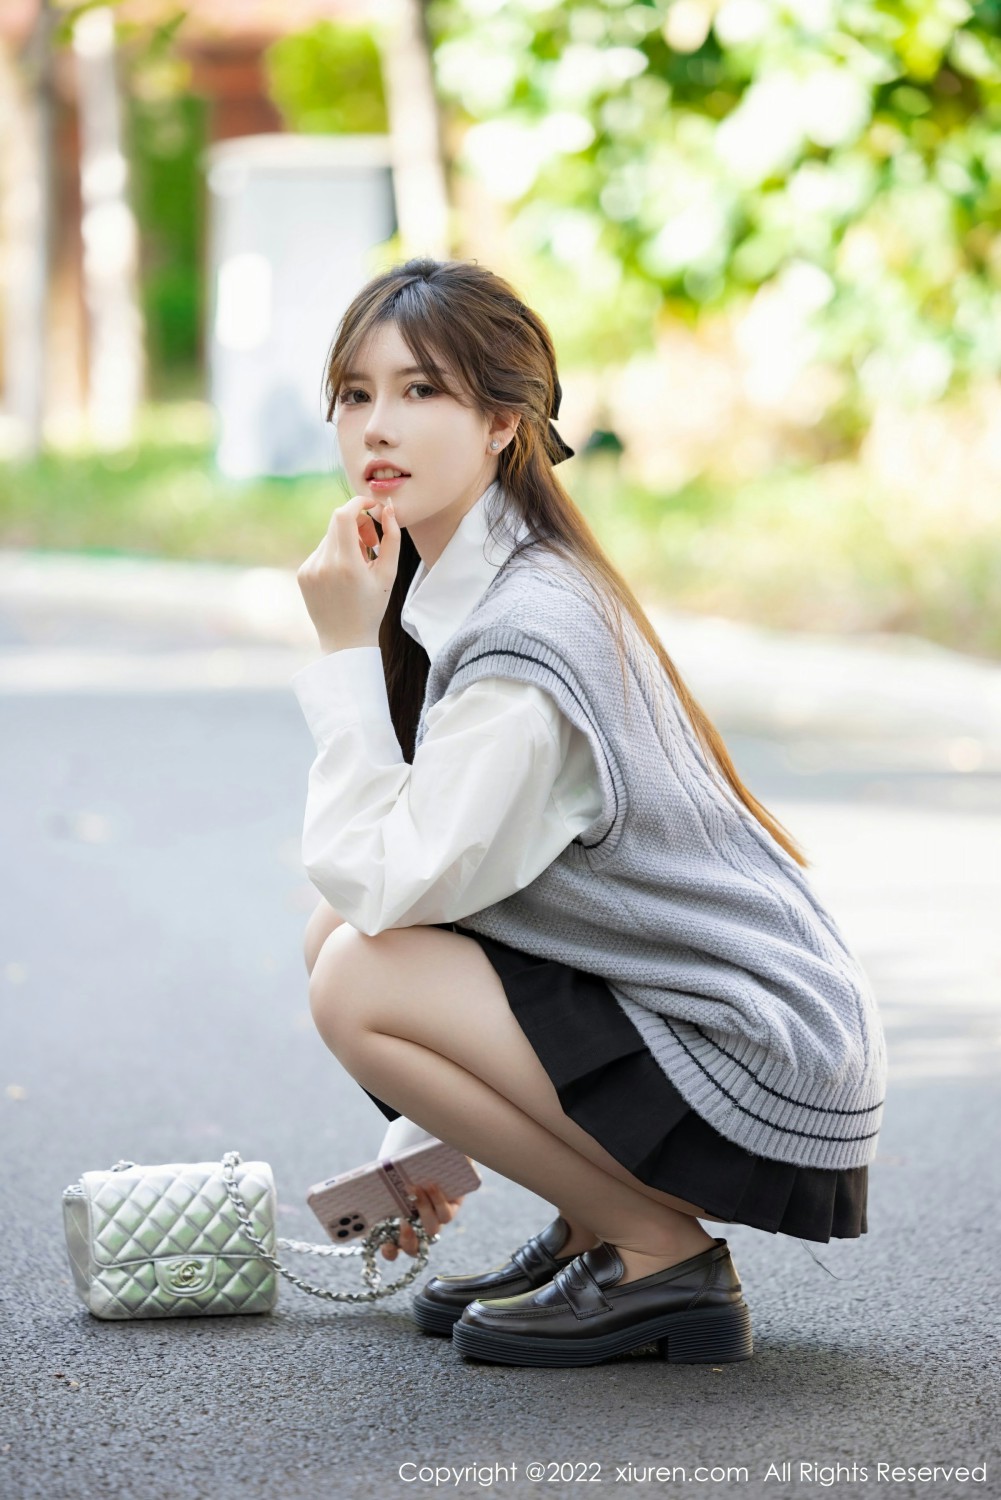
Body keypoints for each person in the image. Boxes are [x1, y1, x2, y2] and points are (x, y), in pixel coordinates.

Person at [291, 256, 887, 1368]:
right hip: (720, 1025)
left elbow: (387, 882)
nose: (377, 425)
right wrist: (421, 1151)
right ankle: (591, 1226)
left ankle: (656, 1251)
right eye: (356, 393)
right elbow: (446, 897)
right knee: (339, 937)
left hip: (756, 1062)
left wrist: (341, 661)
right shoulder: (476, 583)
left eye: (421, 390)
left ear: (501, 423)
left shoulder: (525, 638)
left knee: (355, 976)